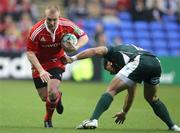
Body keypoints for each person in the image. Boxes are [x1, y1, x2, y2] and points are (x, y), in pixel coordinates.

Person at [65, 44, 180, 131]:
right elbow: (131, 92)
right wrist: (124, 111)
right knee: (152, 98)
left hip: (140, 61)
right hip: (156, 63)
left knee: (111, 90)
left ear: (109, 63)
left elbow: (94, 51)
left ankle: (93, 120)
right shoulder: (127, 59)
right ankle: (173, 126)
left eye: (109, 70)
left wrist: (73, 58)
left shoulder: (111, 51)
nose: (112, 73)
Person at [26, 5, 88, 128]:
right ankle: (58, 97)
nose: (52, 22)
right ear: (45, 18)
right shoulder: (36, 31)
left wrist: (75, 47)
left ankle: (47, 120)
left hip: (57, 60)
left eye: (55, 19)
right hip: (39, 63)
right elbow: (30, 53)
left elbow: (84, 37)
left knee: (52, 93)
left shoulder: (67, 25)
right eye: (49, 19)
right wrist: (41, 70)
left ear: (59, 17)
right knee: (45, 97)